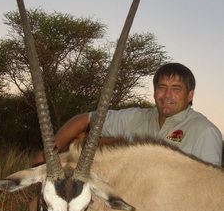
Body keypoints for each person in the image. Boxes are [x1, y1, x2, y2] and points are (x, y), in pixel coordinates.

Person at [34, 63, 223, 167]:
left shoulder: (205, 131)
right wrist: (47, 154)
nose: (167, 95)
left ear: (190, 95)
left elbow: (207, 189)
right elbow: (86, 119)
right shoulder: (137, 117)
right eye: (162, 88)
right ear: (154, 91)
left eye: (176, 89)